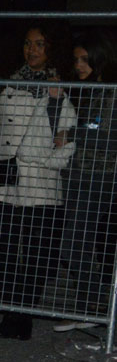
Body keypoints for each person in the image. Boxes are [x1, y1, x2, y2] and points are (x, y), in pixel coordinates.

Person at [0, 25, 77, 340]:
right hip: (6, 177)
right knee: (6, 246)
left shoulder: (61, 84)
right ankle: (9, 310)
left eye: (39, 44)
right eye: (27, 43)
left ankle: (26, 313)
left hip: (39, 179)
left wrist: (57, 101)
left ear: (51, 48)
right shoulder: (8, 81)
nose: (31, 50)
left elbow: (68, 128)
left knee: (35, 250)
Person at [55, 31, 115, 329]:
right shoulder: (92, 90)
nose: (78, 65)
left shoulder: (109, 91)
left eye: (84, 59)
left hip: (98, 176)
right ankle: (85, 308)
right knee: (78, 241)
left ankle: (93, 305)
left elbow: (104, 133)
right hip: (83, 173)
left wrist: (72, 133)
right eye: (76, 59)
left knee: (73, 243)